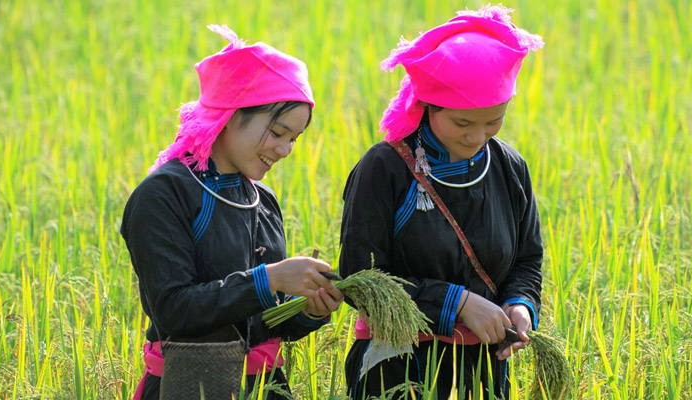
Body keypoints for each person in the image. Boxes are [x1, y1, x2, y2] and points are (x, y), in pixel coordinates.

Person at [121, 25, 343, 400]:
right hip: (190, 384)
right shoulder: (164, 194)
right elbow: (173, 310)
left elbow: (264, 320)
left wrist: (309, 309)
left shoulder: (262, 199)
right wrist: (269, 278)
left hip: (266, 387)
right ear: (229, 112)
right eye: (277, 131)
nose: (286, 149)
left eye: (294, 139)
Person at [339, 5, 544, 399]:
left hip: (482, 367)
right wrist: (457, 302)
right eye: (462, 123)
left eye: (494, 120)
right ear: (428, 105)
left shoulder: (509, 167)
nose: (477, 136)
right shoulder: (385, 168)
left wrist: (520, 306)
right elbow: (359, 279)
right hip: (397, 364)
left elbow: (527, 260)